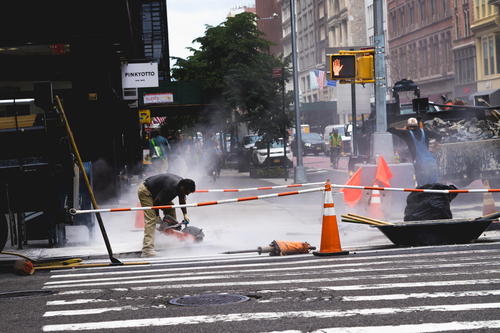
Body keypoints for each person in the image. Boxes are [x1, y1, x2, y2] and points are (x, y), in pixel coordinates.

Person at [137, 173, 196, 257]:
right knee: (151, 219)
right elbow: (156, 202)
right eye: (187, 192)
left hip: (158, 193)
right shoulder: (170, 188)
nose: (187, 194)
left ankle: (167, 240)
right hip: (146, 191)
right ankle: (147, 249)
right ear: (182, 188)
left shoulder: (182, 184)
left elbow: (182, 199)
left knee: (171, 209)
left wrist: (185, 214)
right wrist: (157, 216)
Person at [388, 117, 441, 186]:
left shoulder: (406, 134)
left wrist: (402, 129)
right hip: (431, 162)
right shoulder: (425, 132)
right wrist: (435, 146)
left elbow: (390, 130)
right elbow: (439, 136)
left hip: (420, 164)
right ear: (417, 125)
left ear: (408, 126)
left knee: (423, 187)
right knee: (434, 186)